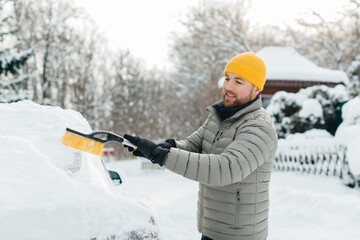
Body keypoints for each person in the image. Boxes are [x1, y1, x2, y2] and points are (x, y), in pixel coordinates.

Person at [123, 52, 278, 240]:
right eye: (227, 78)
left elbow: (226, 168)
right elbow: (195, 144)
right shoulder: (220, 115)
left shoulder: (259, 127)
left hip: (240, 235)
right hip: (212, 229)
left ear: (256, 90)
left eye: (239, 82)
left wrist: (161, 156)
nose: (228, 86)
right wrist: (166, 147)